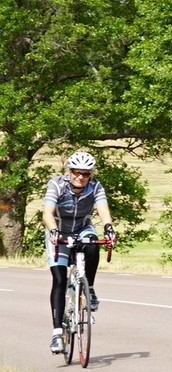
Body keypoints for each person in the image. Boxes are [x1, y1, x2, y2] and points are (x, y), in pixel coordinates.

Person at [44, 151, 112, 353]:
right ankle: (57, 333)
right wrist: (53, 231)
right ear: (70, 172)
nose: (81, 177)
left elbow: (103, 209)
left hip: (82, 228)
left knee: (92, 244)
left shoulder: (95, 186)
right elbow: (47, 213)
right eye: (77, 172)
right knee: (59, 279)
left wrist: (109, 228)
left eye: (86, 173)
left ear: (90, 175)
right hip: (58, 231)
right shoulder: (56, 184)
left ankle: (89, 287)